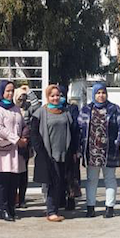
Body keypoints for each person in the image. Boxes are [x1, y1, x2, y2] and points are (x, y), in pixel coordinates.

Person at [78, 82, 120, 218]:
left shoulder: (114, 109)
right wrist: (80, 147)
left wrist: (117, 143)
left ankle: (109, 208)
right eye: (98, 93)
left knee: (110, 178)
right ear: (94, 94)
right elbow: (79, 129)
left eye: (103, 92)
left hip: (109, 150)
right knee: (91, 180)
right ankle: (90, 207)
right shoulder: (86, 110)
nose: (101, 95)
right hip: (92, 151)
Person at [31, 84, 77, 222]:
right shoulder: (40, 113)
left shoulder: (65, 112)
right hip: (48, 154)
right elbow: (34, 134)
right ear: (47, 97)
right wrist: (41, 152)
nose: (55, 98)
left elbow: (73, 131)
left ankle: (56, 209)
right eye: (52, 96)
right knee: (52, 182)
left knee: (61, 182)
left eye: (58, 95)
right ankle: (51, 211)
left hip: (64, 154)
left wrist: (73, 151)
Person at [0, 80, 27, 222]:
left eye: (12, 91)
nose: (10, 94)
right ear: (2, 92)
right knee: (4, 180)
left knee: (14, 180)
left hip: (16, 150)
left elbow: (22, 124)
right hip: (4, 149)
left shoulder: (16, 109)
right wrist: (16, 139)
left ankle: (12, 207)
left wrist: (25, 135)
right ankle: (3, 208)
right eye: (7, 91)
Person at [14, 84, 41, 208]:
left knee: (23, 173)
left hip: (24, 144)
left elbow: (37, 107)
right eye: (20, 98)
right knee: (12, 173)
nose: (22, 100)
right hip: (12, 144)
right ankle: (13, 198)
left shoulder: (28, 108)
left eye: (24, 98)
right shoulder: (11, 108)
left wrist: (30, 92)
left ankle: (22, 199)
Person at [58, 84, 81, 210]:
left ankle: (71, 198)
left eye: (61, 95)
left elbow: (76, 129)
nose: (59, 98)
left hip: (71, 147)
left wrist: (77, 149)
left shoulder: (72, 109)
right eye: (57, 95)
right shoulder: (50, 109)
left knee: (71, 175)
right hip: (57, 147)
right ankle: (60, 199)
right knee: (58, 174)